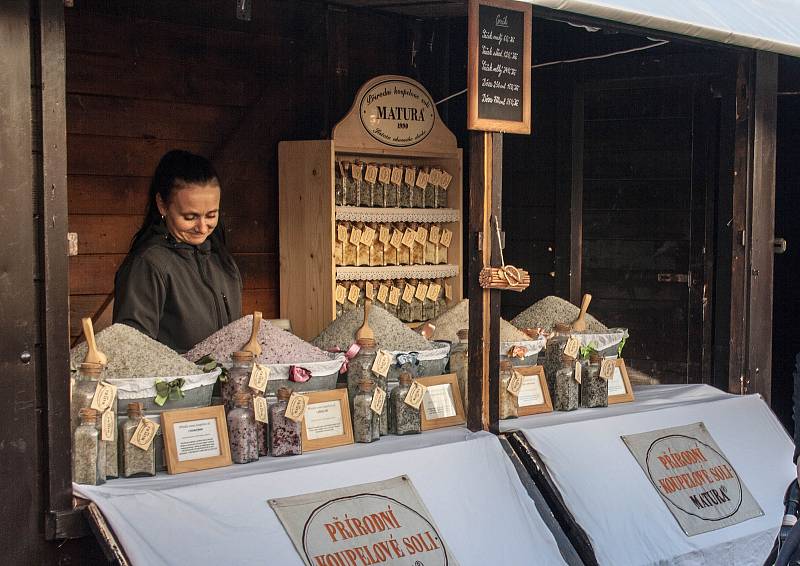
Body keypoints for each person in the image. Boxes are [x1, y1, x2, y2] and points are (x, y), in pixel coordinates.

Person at [113, 150, 242, 352]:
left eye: (211, 215)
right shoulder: (149, 264)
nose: (202, 227)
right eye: (190, 217)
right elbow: (132, 351)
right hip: (176, 383)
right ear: (162, 205)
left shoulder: (222, 261)